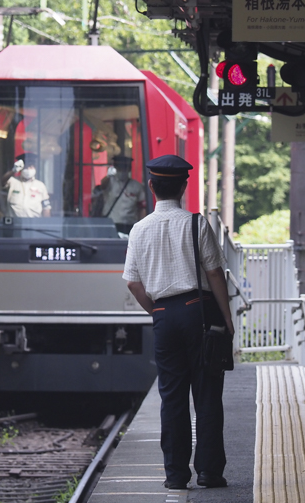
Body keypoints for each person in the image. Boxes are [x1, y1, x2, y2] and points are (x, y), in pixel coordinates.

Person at [123, 154, 235, 491]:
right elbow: (215, 273)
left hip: (163, 316)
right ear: (183, 187)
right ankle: (209, 472)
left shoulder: (138, 229)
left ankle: (175, 475)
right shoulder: (196, 223)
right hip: (198, 312)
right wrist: (227, 320)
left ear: (153, 187)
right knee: (206, 394)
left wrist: (155, 311)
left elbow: (132, 282)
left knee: (171, 397)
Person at [93, 154, 146, 233]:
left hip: (129, 224)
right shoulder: (109, 182)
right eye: (119, 167)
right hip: (110, 223)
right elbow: (102, 185)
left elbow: (142, 208)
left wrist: (142, 226)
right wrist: (108, 174)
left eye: (124, 168)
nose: (122, 171)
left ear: (129, 169)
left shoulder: (136, 186)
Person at [2, 153, 51, 218]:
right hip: (14, 224)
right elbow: (2, 181)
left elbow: (46, 208)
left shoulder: (40, 186)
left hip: (33, 224)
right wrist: (13, 171)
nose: (28, 169)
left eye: (30, 166)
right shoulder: (13, 181)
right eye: (25, 166)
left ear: (35, 167)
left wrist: (46, 225)